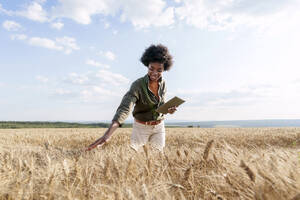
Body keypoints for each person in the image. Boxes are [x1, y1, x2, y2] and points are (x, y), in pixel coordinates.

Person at [86, 44, 176, 152]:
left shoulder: (163, 84)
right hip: (141, 128)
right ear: (147, 66)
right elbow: (125, 108)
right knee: (136, 160)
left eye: (159, 70)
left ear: (164, 69)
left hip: (159, 127)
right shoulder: (137, 85)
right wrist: (107, 134)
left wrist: (168, 110)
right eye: (151, 68)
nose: (155, 73)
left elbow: (160, 105)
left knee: (157, 158)